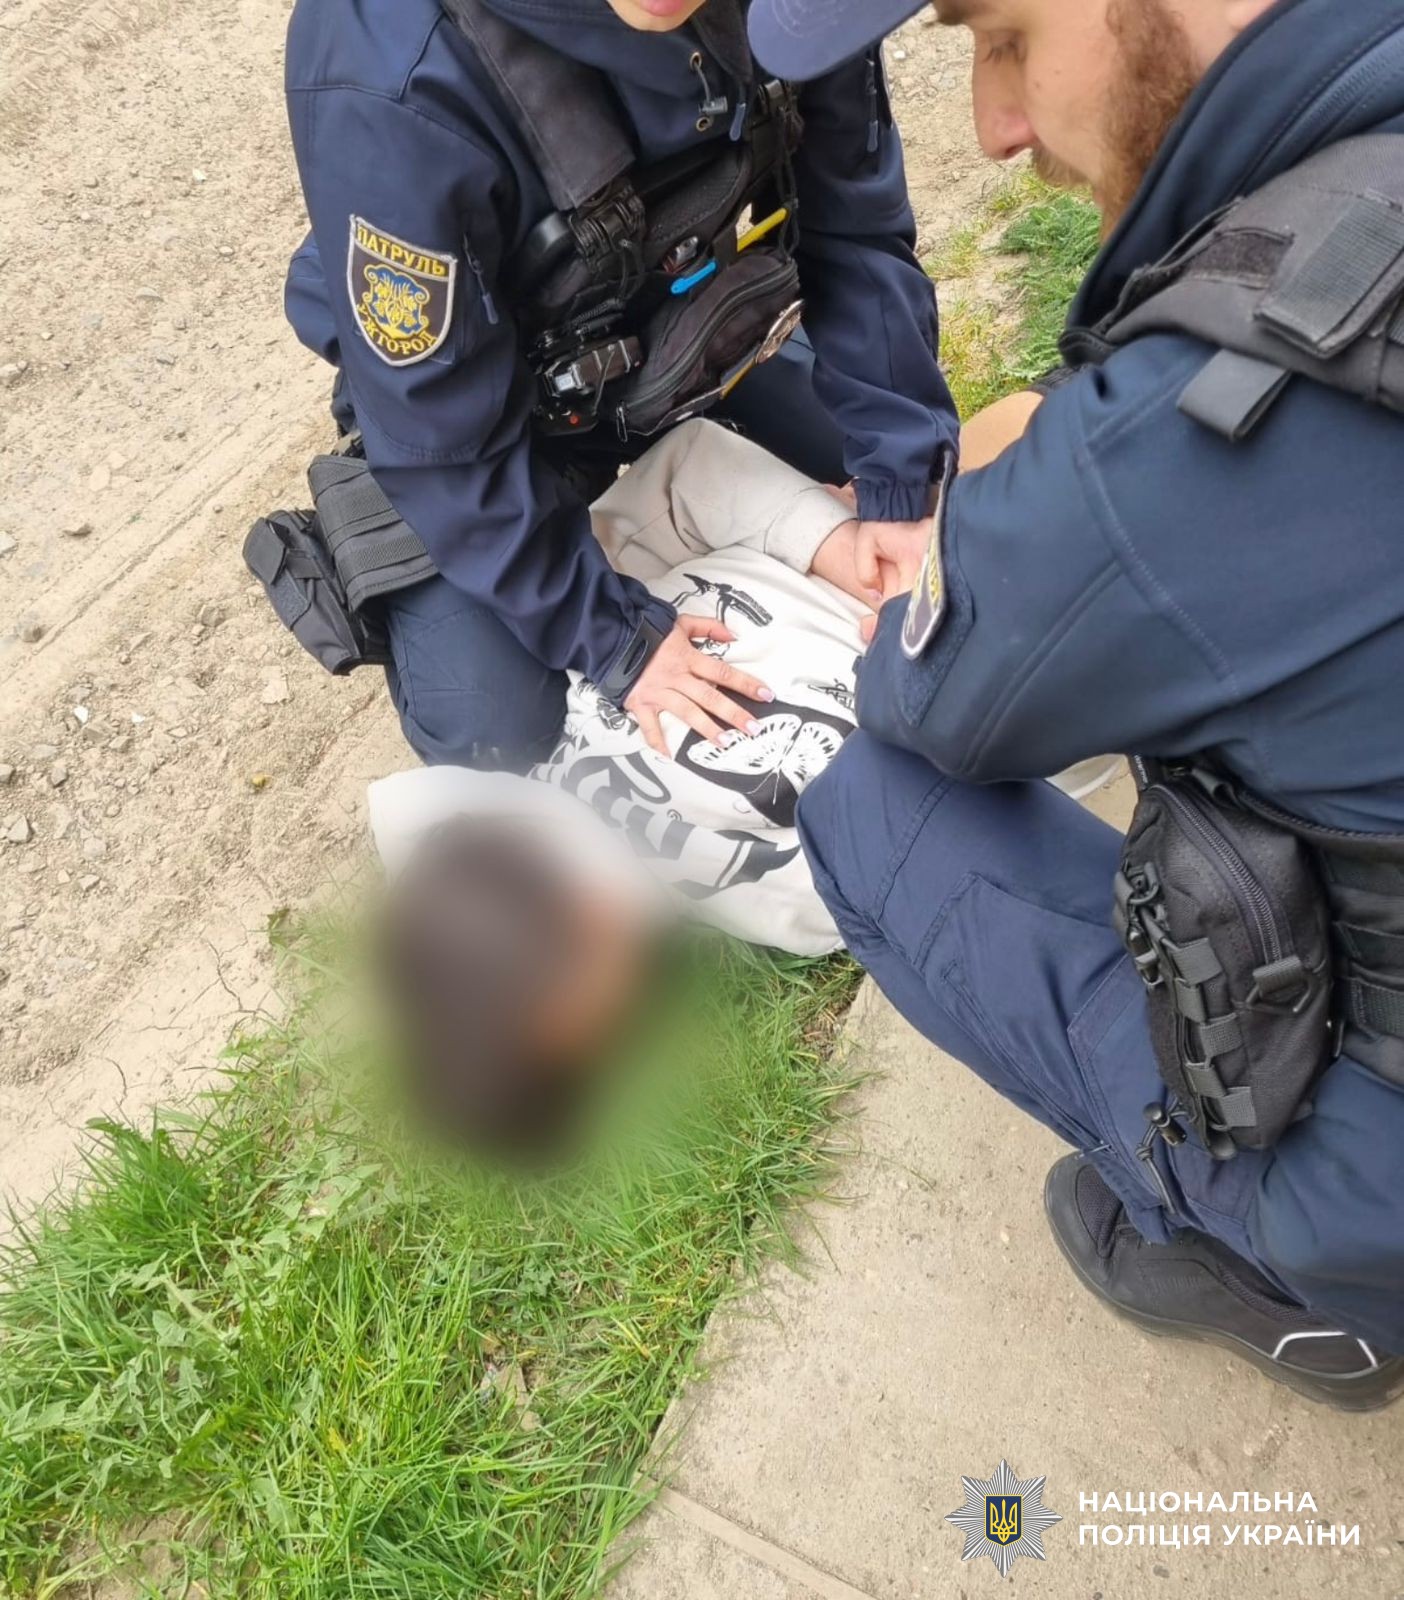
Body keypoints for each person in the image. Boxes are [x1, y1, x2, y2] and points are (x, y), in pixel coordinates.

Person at [747, 0, 1404, 1410]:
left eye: (1002, 35)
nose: (994, 127)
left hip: (1382, 1195)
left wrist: (1017, 475)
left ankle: (1306, 1289)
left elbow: (926, 689)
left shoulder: (1185, 445)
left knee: (872, 806)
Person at [369, 420, 1119, 1150]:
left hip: (882, 551)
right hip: (993, 645)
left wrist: (834, 543)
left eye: (564, 952)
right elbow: (984, 824)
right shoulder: (772, 900)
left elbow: (684, 478)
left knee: (1066, 426)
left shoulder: (535, 696)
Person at [279, 0, 957, 775]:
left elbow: (856, 234)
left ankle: (689, 454)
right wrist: (620, 639)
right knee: (494, 730)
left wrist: (902, 485)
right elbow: (446, 441)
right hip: (486, 409)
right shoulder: (385, 63)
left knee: (901, 519)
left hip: (685, 316)